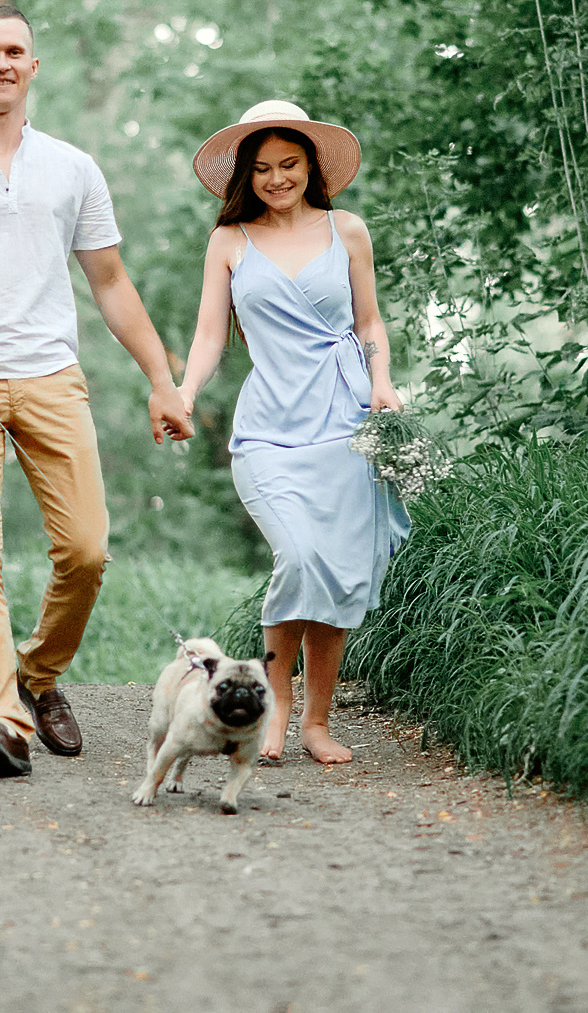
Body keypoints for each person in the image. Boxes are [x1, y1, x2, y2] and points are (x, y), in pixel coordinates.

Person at [0, 2, 195, 778]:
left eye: (13, 50)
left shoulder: (72, 168)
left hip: (53, 376)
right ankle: (3, 720)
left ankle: (39, 673)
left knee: (87, 550)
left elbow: (112, 284)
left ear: (32, 66)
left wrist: (161, 378)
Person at [175, 100, 409, 765]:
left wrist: (381, 379)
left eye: (290, 164)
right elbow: (209, 334)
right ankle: (273, 714)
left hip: (344, 422)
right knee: (300, 556)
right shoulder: (230, 241)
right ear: (245, 175)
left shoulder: (349, 230)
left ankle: (315, 722)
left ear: (311, 166)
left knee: (334, 571)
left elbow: (369, 322)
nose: (277, 178)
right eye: (264, 168)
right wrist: (185, 393)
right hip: (269, 429)